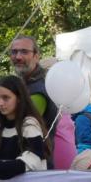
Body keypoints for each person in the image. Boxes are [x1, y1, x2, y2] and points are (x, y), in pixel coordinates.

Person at [10, 39, 75, 169]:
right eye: (14, 52)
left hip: (32, 169)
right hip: (22, 164)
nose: (18, 57)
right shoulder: (24, 86)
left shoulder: (39, 89)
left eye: (24, 52)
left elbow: (16, 125)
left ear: (36, 56)